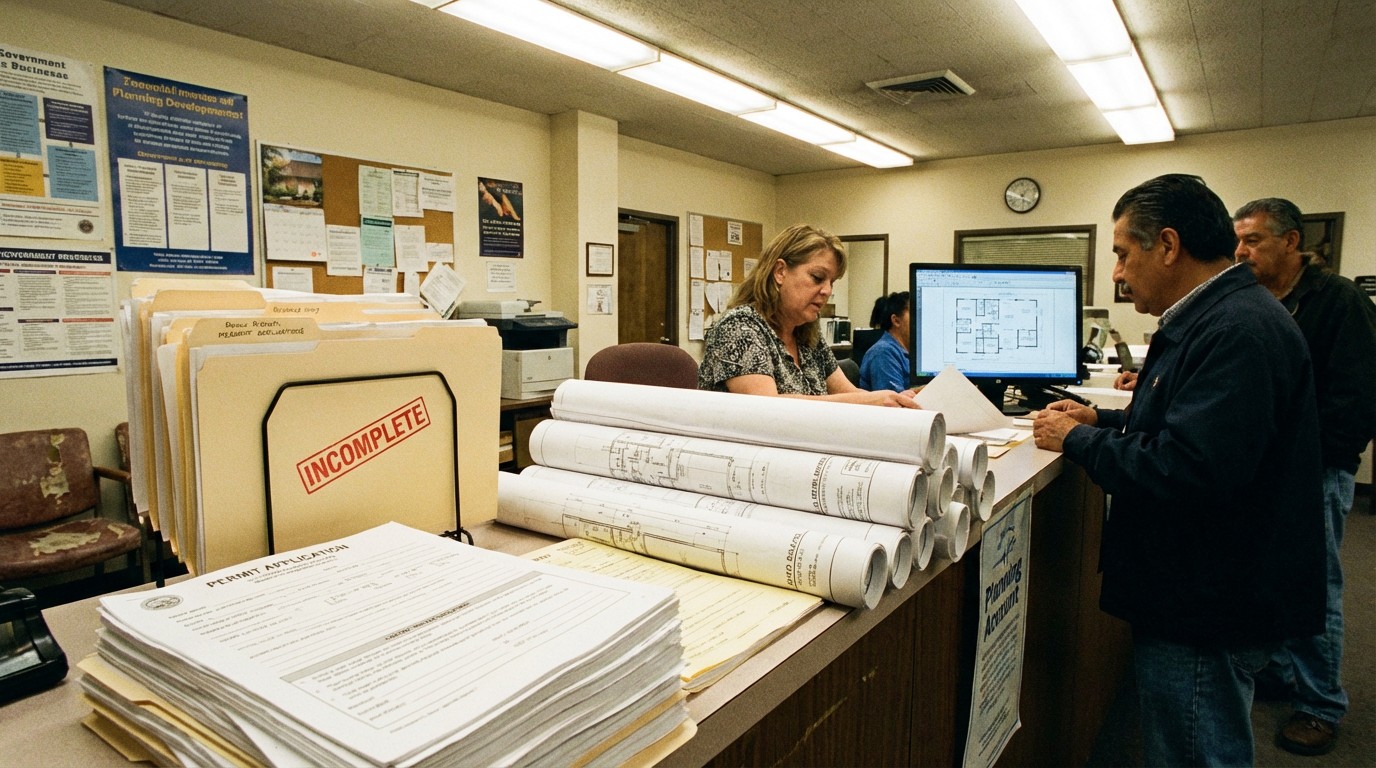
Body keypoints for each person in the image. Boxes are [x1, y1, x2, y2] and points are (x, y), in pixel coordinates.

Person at [1031, 174, 1326, 766]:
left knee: (1196, 751)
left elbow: (1186, 470)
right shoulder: (1221, 315)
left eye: (1120, 253)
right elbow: (1190, 429)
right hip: (1211, 587)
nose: (1115, 272)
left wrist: (1080, 440)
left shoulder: (1235, 329)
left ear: (1167, 245)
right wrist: (1103, 419)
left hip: (1206, 602)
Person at [1233, 197, 1376, 756]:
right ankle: (1284, 670)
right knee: (1269, 574)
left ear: (1292, 243)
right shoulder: (1259, 299)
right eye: (1238, 241)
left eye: (1253, 241)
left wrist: (1318, 461)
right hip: (1265, 470)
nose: (1241, 252)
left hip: (1315, 472)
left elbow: (1359, 395)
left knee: (1315, 586)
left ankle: (1320, 705)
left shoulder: (1338, 301)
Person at [698, 224, 918, 407]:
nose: (827, 291)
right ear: (780, 272)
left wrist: (903, 398)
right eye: (817, 278)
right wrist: (871, 401)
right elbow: (766, 408)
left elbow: (852, 394)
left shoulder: (806, 334)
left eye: (831, 282)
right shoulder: (739, 327)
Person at [858, 291, 912, 391]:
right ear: (896, 320)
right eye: (914, 314)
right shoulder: (883, 352)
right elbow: (895, 401)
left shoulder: (914, 352)